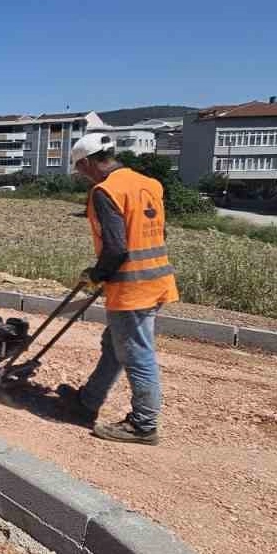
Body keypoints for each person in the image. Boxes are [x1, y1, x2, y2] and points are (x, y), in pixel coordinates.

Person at [56, 132, 179, 444]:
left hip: (132, 286)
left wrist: (98, 274)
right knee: (114, 345)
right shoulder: (149, 184)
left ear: (86, 163)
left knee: (137, 354)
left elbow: (116, 248)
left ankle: (143, 425)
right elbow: (158, 232)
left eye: (80, 170)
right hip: (156, 279)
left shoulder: (104, 191)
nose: (82, 177)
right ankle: (88, 402)